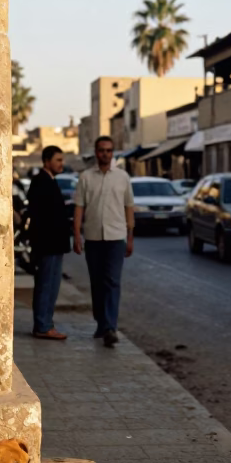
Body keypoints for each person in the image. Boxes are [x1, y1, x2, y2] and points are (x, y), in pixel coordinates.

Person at [73, 136, 135, 347]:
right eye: (101, 150)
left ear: (113, 152)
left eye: (109, 150)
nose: (105, 154)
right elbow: (79, 207)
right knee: (97, 283)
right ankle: (102, 323)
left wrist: (130, 237)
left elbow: (129, 207)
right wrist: (76, 235)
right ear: (96, 152)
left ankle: (110, 327)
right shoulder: (86, 177)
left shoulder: (123, 177)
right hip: (93, 237)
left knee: (112, 281)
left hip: (116, 237)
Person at [27, 146, 71, 340]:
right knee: (46, 285)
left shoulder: (49, 181)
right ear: (47, 161)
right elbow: (41, 216)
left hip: (54, 244)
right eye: (58, 160)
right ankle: (43, 326)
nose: (61, 164)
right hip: (48, 245)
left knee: (51, 285)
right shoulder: (41, 182)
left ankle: (45, 323)